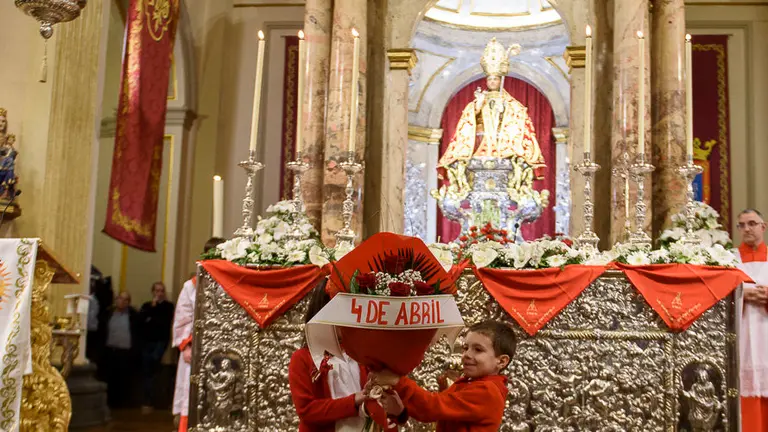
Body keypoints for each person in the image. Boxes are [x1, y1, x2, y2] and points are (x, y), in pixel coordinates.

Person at [372, 320, 515, 432]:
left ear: (501, 361)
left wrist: (398, 381)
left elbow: (433, 406)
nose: (467, 355)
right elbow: (436, 413)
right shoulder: (468, 383)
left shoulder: (487, 391)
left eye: (478, 350)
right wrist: (401, 412)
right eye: (465, 348)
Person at [172, 237, 226, 432]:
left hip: (223, 350)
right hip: (195, 350)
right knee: (192, 396)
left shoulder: (230, 284)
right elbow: (183, 319)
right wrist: (186, 345)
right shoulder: (192, 286)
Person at [734, 208, 768, 430]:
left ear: (763, 227)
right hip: (743, 331)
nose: (747, 229)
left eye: (752, 223)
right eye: (742, 225)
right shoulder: (730, 259)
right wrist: (741, 294)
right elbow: (719, 294)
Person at [139, 281, 175, 413]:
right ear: (153, 292)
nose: (159, 293)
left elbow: (163, 322)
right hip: (147, 342)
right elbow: (143, 321)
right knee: (147, 371)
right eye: (157, 291)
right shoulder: (146, 305)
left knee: (154, 366)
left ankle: (155, 400)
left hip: (160, 342)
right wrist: (152, 309)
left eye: (161, 291)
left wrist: (153, 313)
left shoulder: (168, 306)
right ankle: (148, 401)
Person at [102, 291, 141, 408]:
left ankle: (123, 403)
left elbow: (138, 333)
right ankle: (110, 402)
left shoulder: (133, 315)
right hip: (110, 351)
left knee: (124, 379)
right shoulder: (108, 313)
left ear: (128, 302)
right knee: (110, 378)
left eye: (125, 300)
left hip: (126, 352)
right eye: (120, 298)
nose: (122, 302)